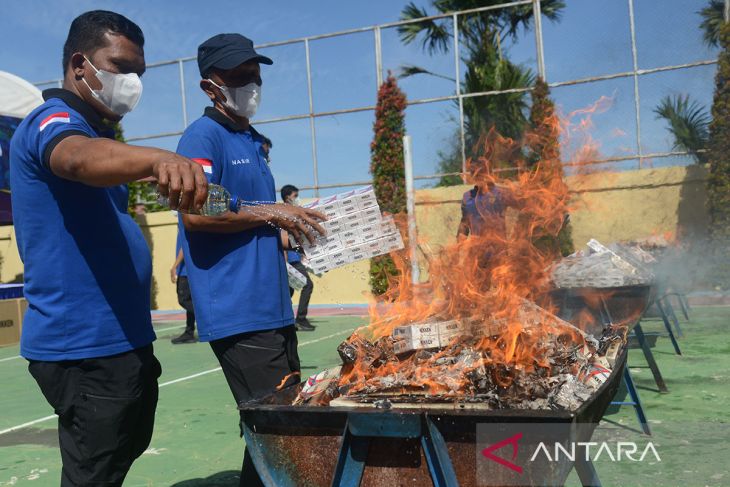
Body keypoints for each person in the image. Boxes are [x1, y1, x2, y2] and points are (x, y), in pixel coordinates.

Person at [9, 10, 207, 486]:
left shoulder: (99, 135)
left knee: (116, 457)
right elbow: (76, 158)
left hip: (119, 338)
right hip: (82, 346)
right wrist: (161, 157)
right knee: (92, 473)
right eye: (120, 67)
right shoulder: (53, 119)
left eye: (139, 73)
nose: (132, 83)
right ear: (81, 65)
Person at [176, 33, 325, 486]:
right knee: (281, 429)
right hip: (239, 311)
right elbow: (196, 210)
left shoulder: (252, 140)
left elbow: (253, 217)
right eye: (240, 78)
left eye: (255, 77)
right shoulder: (203, 136)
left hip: (272, 307)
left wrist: (291, 226)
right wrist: (275, 211)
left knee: (276, 429)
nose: (252, 86)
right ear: (210, 87)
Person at [281, 184, 316, 331]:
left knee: (288, 291)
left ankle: (284, 321)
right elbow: (282, 239)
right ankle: (300, 319)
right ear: (287, 197)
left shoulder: (293, 212)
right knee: (307, 285)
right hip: (290, 260)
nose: (297, 199)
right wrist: (285, 261)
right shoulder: (283, 213)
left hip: (294, 258)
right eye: (295, 196)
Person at [170, 231, 196, 344]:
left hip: (185, 272)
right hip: (188, 272)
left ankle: (209, 317)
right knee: (190, 301)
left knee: (183, 300)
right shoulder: (183, 224)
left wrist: (174, 266)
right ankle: (189, 333)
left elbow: (185, 246)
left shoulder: (185, 222)